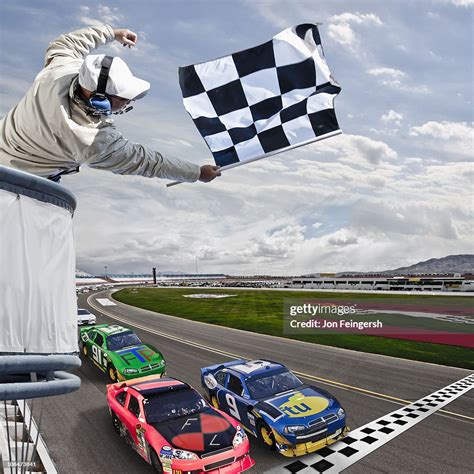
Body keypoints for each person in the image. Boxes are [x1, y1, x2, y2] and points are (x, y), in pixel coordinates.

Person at [0, 24, 221, 183]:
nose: (128, 102)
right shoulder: (90, 139)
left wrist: (111, 33)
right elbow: (146, 162)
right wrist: (197, 173)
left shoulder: (59, 70)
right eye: (123, 99)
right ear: (99, 100)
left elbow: (68, 43)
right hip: (18, 180)